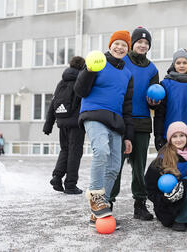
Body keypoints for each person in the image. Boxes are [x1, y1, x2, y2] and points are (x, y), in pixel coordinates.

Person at [74, 30, 134, 229]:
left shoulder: (127, 73)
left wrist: (128, 137)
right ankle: (95, 198)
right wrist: (88, 70)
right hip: (93, 114)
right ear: (110, 45)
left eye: (124, 45)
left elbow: (127, 106)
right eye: (116, 43)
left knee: (115, 165)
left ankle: (101, 209)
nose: (119, 47)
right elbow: (80, 91)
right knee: (101, 151)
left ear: (128, 49)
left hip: (115, 121)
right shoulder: (97, 61)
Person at [110, 27, 159, 221]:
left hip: (142, 123)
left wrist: (154, 102)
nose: (142, 45)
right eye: (139, 42)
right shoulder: (122, 61)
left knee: (139, 168)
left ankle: (140, 205)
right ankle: (109, 202)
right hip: (120, 120)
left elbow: (154, 93)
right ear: (133, 43)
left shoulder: (152, 69)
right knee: (116, 165)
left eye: (146, 43)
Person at [43, 56, 86, 195]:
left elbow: (52, 104)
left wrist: (48, 125)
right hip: (76, 123)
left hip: (61, 122)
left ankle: (56, 177)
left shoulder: (61, 82)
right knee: (75, 152)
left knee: (65, 150)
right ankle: (70, 185)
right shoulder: (81, 80)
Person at [154, 48, 187, 152]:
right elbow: (159, 113)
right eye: (178, 63)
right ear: (174, 64)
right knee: (171, 167)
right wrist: (158, 135)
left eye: (184, 62)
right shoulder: (165, 84)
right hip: (170, 135)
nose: (181, 65)